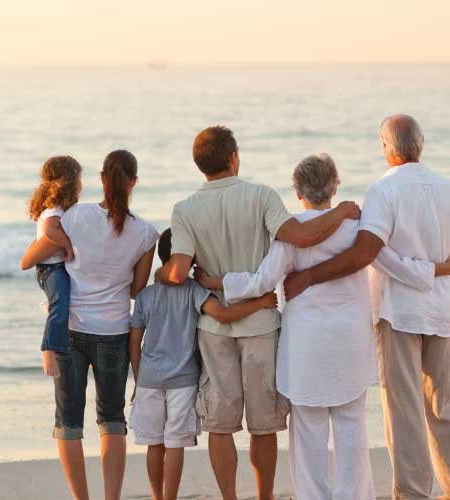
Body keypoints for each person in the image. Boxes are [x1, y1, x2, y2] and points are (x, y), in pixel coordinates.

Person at [195, 153, 450, 500]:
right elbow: (395, 266)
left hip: (306, 345)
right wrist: (439, 270)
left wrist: (214, 281)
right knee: (352, 429)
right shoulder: (357, 230)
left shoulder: (291, 234)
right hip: (349, 341)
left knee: (308, 436)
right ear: (335, 186)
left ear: (297, 190)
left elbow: (261, 282)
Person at [154, 126, 361, 500]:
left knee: (220, 423)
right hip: (261, 326)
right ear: (234, 158)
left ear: (200, 165)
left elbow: (179, 271)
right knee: (263, 424)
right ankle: (265, 496)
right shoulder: (261, 195)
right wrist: (345, 210)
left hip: (214, 327)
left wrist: (157, 274)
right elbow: (303, 237)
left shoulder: (184, 209)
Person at [283, 115, 450, 500]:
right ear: (420, 146)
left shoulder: (383, 192)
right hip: (440, 312)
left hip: (399, 313)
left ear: (388, 148)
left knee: (403, 407)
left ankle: (412, 493)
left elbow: (364, 254)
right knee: (443, 404)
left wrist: (308, 277)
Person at [23, 149, 160, 500]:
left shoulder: (76, 215)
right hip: (113, 332)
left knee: (68, 421)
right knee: (112, 419)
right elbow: (136, 289)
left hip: (69, 330)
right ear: (134, 183)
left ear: (101, 179)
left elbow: (40, 251)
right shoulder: (146, 233)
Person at [128, 228, 279, 500]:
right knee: (175, 444)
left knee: (154, 444)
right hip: (182, 380)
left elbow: (134, 341)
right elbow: (222, 315)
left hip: (149, 380)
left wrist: (139, 380)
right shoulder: (193, 291)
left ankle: (157, 497)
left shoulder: (145, 297)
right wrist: (262, 302)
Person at [19, 156, 82, 377]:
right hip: (51, 268)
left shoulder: (56, 208)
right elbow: (49, 231)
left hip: (55, 267)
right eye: (78, 178)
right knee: (60, 304)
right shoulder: (54, 210)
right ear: (69, 181)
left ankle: (72, 347)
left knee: (67, 305)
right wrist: (69, 247)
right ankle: (49, 349)